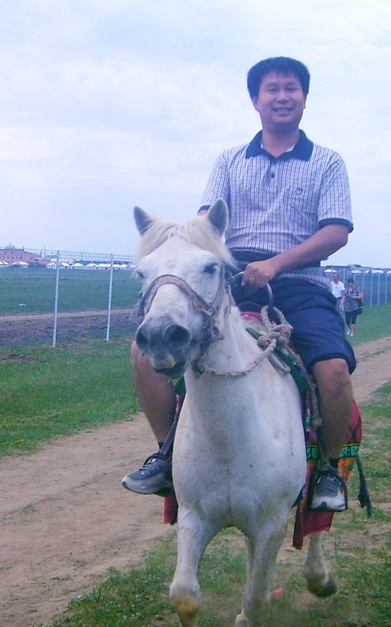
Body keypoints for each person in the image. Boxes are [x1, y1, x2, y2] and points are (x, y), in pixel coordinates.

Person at [123, 56, 356, 513]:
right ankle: (166, 454)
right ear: (255, 99)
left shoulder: (327, 162)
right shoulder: (229, 161)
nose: (282, 96)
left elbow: (336, 232)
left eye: (291, 88)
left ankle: (328, 470)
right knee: (144, 353)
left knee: (333, 370)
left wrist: (275, 264)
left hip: (302, 285)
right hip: (233, 280)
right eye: (272, 89)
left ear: (304, 98)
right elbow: (206, 226)